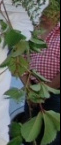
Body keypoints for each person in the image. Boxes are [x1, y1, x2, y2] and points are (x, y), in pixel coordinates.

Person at [22, 8, 60, 145]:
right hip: (32, 94)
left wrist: (44, 92)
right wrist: (29, 90)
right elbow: (20, 63)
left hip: (55, 94)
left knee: (53, 140)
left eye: (49, 9)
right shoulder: (29, 34)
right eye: (41, 8)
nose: (44, 12)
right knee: (31, 138)